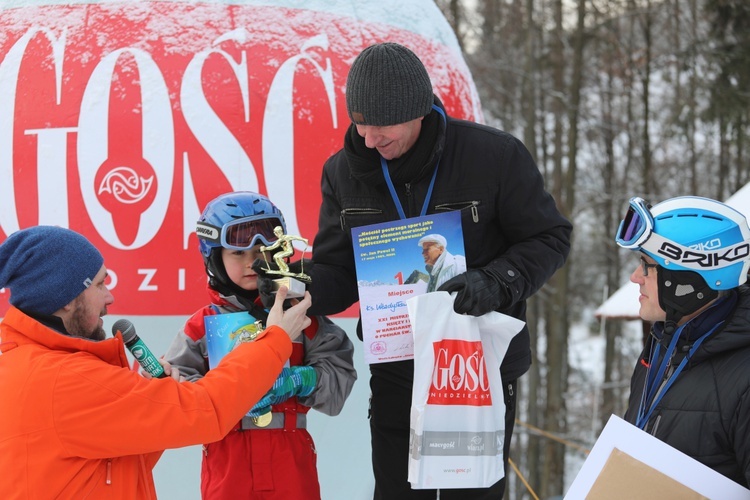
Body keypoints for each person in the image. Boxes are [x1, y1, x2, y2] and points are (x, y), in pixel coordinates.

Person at [257, 42, 572, 499]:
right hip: (397, 361)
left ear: (418, 111)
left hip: (473, 364)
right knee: (397, 491)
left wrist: (496, 281)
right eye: (359, 123)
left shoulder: (494, 157)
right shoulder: (343, 172)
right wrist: (300, 285)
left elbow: (550, 237)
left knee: (473, 492)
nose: (368, 138)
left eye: (381, 125)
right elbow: (340, 271)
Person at [0, 225, 311, 499]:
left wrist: (151, 402)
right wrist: (275, 340)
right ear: (65, 298)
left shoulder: (26, 365)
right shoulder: (66, 380)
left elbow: (118, 465)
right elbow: (207, 409)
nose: (109, 297)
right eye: (99, 285)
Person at [163, 191, 357, 499]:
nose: (251, 262)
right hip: (228, 460)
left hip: (291, 459)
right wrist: (218, 392)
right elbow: (174, 390)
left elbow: (339, 374)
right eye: (237, 254)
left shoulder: (299, 314)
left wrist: (301, 379)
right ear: (214, 258)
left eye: (260, 250)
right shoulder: (202, 325)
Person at [615, 195, 750, 487]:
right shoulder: (664, 342)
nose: (635, 277)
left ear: (686, 281)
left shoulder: (743, 377)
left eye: (647, 265)